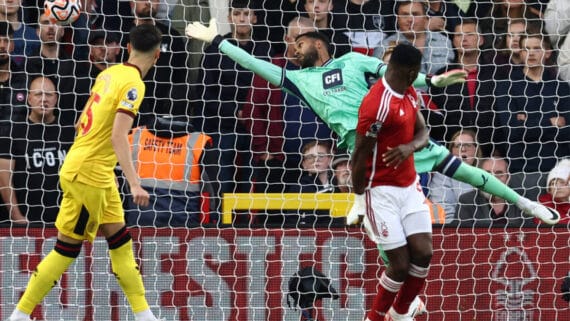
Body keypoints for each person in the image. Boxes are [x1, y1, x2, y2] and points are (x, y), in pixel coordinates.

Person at [186, 20, 561, 225]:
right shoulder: (298, 79)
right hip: (364, 150)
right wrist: (219, 41)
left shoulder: (351, 61)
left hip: (396, 133)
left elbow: (394, 73)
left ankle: (527, 204)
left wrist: (429, 81)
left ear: (317, 43)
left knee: (464, 170)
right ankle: (363, 205)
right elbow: (257, 65)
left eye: (297, 45)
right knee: (383, 234)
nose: (291, 50)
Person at [6, 24, 164, 321]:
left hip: (89, 169)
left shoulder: (108, 74)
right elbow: (119, 136)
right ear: (157, 55)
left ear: (127, 48)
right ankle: (20, 315)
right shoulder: (134, 85)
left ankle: (144, 316)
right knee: (84, 246)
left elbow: (81, 122)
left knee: (102, 244)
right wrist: (134, 183)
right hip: (89, 173)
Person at [350, 43, 430, 321]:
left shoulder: (409, 93)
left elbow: (423, 133)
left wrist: (409, 148)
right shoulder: (375, 106)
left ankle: (398, 313)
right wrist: (360, 202)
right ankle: (373, 318)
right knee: (399, 265)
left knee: (424, 253)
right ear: (410, 72)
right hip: (380, 191)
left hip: (409, 187)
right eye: (418, 71)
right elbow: (358, 156)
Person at [0, 76, 75, 224]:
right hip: (28, 219)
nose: (44, 99)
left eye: (49, 94)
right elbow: (4, 179)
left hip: (67, 217)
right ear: (28, 99)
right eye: (38, 94)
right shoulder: (13, 132)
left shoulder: (69, 131)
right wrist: (17, 216)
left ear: (56, 99)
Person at [125, 115, 219, 227]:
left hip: (139, 224)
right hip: (185, 226)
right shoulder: (199, 143)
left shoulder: (134, 137)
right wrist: (210, 224)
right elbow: (212, 194)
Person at [373, 0, 454, 74]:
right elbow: (375, 80)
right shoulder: (384, 46)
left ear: (425, 18)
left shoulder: (444, 41)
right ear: (398, 19)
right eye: (405, 15)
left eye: (415, 14)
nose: (410, 19)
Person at [456, 157, 532, 227]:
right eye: (487, 174)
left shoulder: (522, 200)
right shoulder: (466, 201)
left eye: (499, 174)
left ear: (508, 178)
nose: (493, 180)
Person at [428, 129, 480, 222]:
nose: (463, 149)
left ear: (476, 149)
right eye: (457, 146)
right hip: (456, 228)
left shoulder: (486, 171)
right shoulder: (442, 176)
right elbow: (442, 208)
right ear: (451, 151)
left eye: (467, 145)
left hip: (485, 227)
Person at [537, 159, 570, 225]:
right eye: (553, 183)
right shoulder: (544, 202)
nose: (557, 187)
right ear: (549, 189)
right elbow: (541, 222)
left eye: (562, 182)